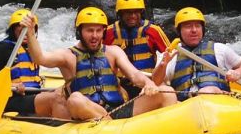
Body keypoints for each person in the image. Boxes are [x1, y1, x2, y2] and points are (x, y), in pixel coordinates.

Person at [20, 7, 176, 121]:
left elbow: (134, 75)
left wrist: (148, 83)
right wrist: (30, 33)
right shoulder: (67, 56)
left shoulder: (113, 51)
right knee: (75, 99)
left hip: (118, 110)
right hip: (88, 116)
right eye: (89, 30)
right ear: (79, 32)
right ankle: (110, 128)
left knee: (166, 91)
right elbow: (40, 58)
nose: (95, 36)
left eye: (98, 31)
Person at [0, 9, 68, 118]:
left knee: (63, 94)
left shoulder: (32, 49)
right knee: (56, 99)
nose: (25, 33)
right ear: (13, 29)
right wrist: (9, 84)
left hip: (31, 95)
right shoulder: (4, 48)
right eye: (22, 29)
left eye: (29, 29)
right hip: (11, 98)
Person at [153, 7, 241, 100]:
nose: (194, 30)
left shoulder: (219, 48)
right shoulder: (170, 55)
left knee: (206, 92)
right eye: (188, 26)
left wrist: (238, 73)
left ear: (203, 29)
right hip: (185, 107)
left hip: (217, 101)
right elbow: (156, 82)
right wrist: (163, 65)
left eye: (197, 26)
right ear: (179, 31)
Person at [104, 0, 171, 97]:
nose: (133, 16)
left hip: (147, 82)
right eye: (128, 12)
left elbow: (170, 56)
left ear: (141, 13)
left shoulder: (153, 30)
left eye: (136, 12)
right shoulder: (108, 32)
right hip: (120, 85)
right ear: (120, 14)